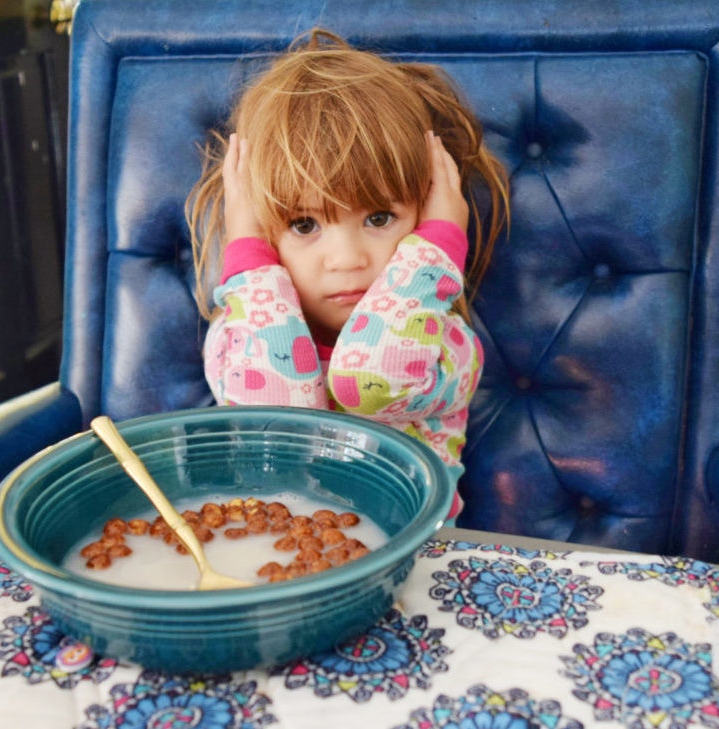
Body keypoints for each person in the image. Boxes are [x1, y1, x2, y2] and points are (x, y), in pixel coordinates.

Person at [187, 30, 509, 517]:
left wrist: (437, 249)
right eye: (303, 224)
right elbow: (283, 419)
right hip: (280, 564)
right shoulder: (238, 340)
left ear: (427, 217)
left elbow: (371, 378)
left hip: (413, 566)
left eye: (379, 218)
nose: (346, 258)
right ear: (261, 231)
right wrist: (248, 253)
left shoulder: (445, 347)